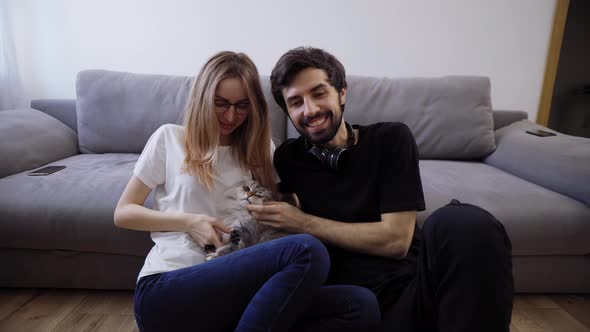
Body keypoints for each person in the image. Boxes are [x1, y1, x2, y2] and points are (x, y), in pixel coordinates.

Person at [247, 47, 514, 332]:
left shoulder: (390, 139)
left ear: (342, 93)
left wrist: (303, 222)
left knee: (465, 222)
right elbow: (235, 181)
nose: (309, 110)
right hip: (350, 309)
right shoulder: (287, 158)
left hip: (412, 294)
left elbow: (395, 241)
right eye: (295, 102)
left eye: (319, 93)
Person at [114, 51, 380, 332]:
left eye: (242, 106)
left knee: (359, 304)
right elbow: (124, 212)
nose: (231, 116)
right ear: (203, 98)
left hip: (235, 290)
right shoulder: (170, 138)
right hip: (171, 285)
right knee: (307, 251)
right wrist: (190, 222)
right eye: (221, 104)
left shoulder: (260, 148)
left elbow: (282, 217)